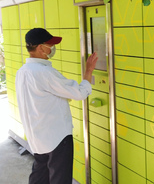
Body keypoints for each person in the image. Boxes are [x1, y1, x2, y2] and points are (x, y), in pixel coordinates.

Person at [15, 28, 98, 184]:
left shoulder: (22, 72)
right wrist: (89, 70)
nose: (52, 48)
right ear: (40, 48)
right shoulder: (45, 72)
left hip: (36, 138)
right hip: (57, 138)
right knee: (60, 179)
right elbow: (79, 93)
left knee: (40, 176)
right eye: (50, 45)